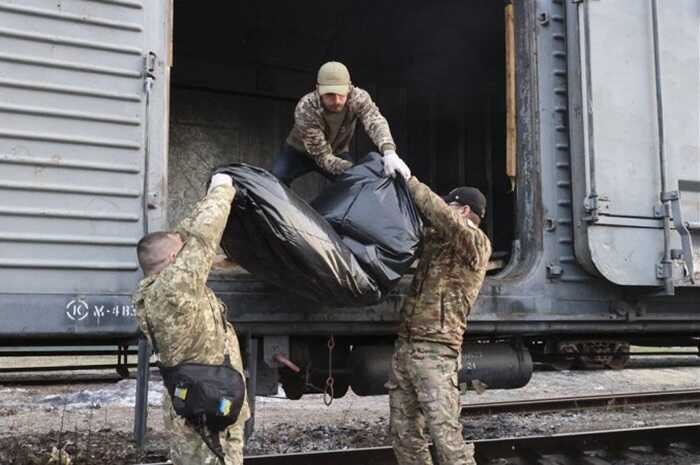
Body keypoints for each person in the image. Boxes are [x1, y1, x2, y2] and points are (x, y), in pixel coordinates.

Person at [133, 173, 249, 465]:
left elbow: (185, 235)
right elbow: (203, 236)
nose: (185, 250)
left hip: (201, 404)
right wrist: (222, 190)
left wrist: (207, 193)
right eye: (180, 253)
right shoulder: (173, 288)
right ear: (173, 262)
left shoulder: (160, 289)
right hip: (208, 414)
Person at [387, 178, 492, 465]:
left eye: (451, 204)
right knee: (403, 433)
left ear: (464, 210)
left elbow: (443, 216)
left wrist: (409, 181)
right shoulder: (436, 240)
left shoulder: (476, 244)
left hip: (437, 350)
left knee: (445, 436)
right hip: (407, 345)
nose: (445, 207)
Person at [271, 61, 411, 185]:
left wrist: (389, 152)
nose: (337, 101)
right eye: (330, 95)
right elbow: (323, 158)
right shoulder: (306, 108)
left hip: (338, 151)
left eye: (341, 94)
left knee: (356, 185)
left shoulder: (358, 97)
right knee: (276, 180)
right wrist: (359, 170)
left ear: (349, 87)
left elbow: (375, 121)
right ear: (318, 89)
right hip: (299, 153)